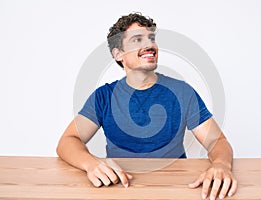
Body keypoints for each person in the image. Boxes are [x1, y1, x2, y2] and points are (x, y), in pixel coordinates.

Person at [56, 12, 237, 200]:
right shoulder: (104, 96)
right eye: (137, 40)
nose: (149, 45)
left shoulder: (182, 92)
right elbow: (68, 141)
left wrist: (221, 165)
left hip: (174, 189)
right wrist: (91, 164)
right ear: (119, 54)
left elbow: (217, 141)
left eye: (151, 38)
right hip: (120, 189)